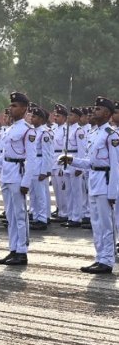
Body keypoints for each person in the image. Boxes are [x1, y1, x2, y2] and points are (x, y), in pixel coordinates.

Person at [61, 96, 119, 273]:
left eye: (99, 109)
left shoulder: (112, 135)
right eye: (95, 108)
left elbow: (116, 166)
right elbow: (90, 162)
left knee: (106, 224)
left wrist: (113, 193)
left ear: (107, 113)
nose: (94, 111)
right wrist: (71, 160)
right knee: (96, 223)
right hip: (94, 180)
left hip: (105, 182)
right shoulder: (94, 133)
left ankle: (108, 260)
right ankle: (99, 257)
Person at [0, 92, 36, 266]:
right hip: (7, 173)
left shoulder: (28, 130)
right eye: (11, 105)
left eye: (15, 106)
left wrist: (26, 182)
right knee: (10, 215)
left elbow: (32, 159)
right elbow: (4, 157)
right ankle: (13, 249)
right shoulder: (9, 129)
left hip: (18, 175)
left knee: (20, 215)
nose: (11, 108)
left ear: (25, 109)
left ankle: (22, 251)